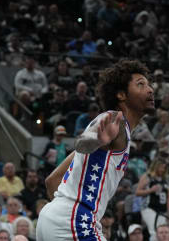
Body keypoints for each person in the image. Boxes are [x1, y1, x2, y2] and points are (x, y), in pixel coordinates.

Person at [36, 59, 155, 241]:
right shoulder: (113, 120)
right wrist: (95, 139)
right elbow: (83, 143)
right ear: (122, 95)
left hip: (52, 217)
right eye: (141, 84)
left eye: (149, 84)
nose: (150, 89)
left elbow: (52, 180)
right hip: (76, 221)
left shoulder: (113, 134)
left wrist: (60, 218)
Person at [135, 158, 169, 234]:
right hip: (149, 208)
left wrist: (168, 212)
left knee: (163, 232)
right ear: (156, 166)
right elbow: (137, 192)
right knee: (154, 231)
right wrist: (150, 190)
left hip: (162, 210)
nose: (162, 170)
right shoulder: (148, 177)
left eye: (164, 168)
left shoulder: (164, 180)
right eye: (161, 167)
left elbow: (166, 198)